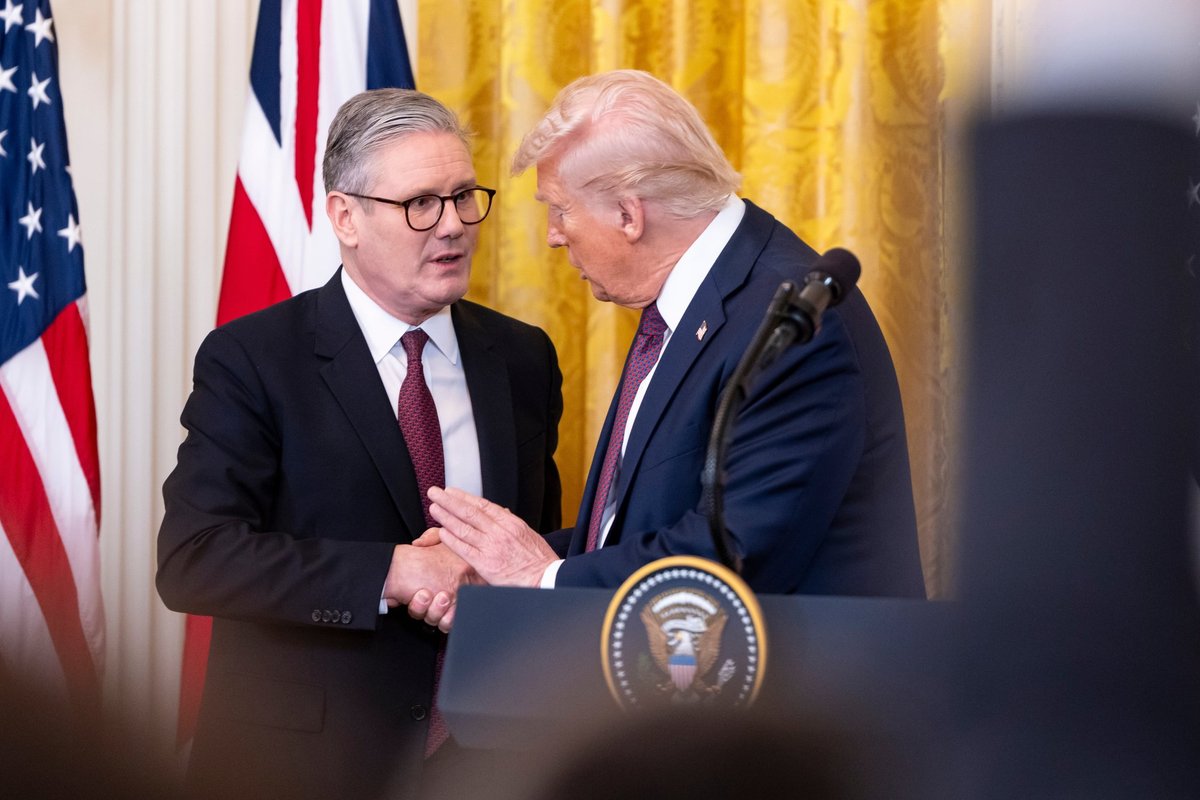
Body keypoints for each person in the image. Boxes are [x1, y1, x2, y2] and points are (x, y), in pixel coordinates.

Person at [156, 88, 562, 800]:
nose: (453, 225)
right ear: (345, 216)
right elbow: (197, 559)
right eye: (421, 203)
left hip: (486, 762)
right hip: (300, 767)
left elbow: (537, 541)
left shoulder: (523, 357)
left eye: (464, 197)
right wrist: (398, 572)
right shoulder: (254, 358)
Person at [421, 69, 923, 601]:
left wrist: (543, 578)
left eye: (560, 210)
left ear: (628, 215)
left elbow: (736, 553)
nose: (552, 236)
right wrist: (503, 564)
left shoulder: (791, 329)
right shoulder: (692, 298)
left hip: (799, 656)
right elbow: (639, 527)